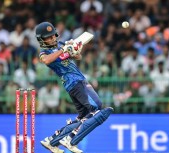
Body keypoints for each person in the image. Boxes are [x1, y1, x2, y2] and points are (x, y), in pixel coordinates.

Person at [36, 21, 113, 153]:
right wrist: (63, 50)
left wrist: (74, 48)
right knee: (96, 108)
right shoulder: (44, 52)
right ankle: (71, 139)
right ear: (42, 40)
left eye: (53, 35)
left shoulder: (60, 44)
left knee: (84, 116)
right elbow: (47, 61)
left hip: (77, 81)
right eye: (48, 37)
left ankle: (51, 141)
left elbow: (77, 56)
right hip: (75, 82)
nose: (52, 38)